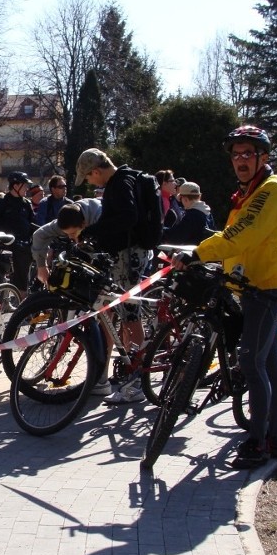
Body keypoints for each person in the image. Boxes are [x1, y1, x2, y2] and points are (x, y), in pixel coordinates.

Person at [173, 125, 277, 469]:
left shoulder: (270, 190)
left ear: (264, 156)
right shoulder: (249, 191)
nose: (241, 161)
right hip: (255, 284)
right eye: (236, 154)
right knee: (271, 363)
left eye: (248, 154)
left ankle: (257, 441)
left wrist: (198, 253)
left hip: (266, 288)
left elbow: (241, 236)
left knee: (251, 362)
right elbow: (234, 236)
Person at [74, 149, 151, 403]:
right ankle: (122, 377)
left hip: (129, 256)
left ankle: (137, 382)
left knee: (130, 315)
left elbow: (127, 217)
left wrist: (94, 231)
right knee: (122, 313)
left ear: (96, 171)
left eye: (88, 178)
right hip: (124, 254)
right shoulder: (121, 181)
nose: (89, 183)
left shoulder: (120, 183)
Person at [0, 171, 36, 295]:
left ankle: (21, 308)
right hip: (4, 246)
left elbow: (32, 224)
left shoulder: (26, 203)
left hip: (22, 248)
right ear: (16, 186)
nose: (27, 188)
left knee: (22, 280)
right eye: (25, 185)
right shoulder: (1, 202)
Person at [161, 181, 215, 246]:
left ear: (185, 199)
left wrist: (158, 229)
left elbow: (175, 237)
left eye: (181, 199)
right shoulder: (207, 212)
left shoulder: (192, 215)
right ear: (199, 196)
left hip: (193, 253)